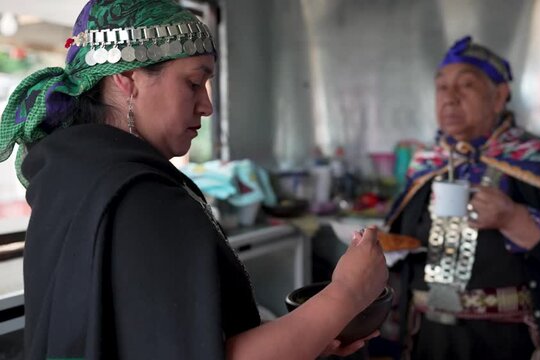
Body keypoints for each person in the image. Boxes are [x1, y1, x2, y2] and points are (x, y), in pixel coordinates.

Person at [0, 1, 388, 359]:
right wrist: (347, 294)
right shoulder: (141, 197)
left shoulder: (75, 173)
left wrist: (308, 337)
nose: (207, 105)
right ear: (128, 79)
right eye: (193, 83)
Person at [384, 36, 540, 360]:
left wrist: (514, 219)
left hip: (510, 339)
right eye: (442, 88)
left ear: (498, 97)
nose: (450, 98)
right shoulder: (426, 164)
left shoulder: (534, 159)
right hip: (430, 338)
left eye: (466, 86)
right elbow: (401, 249)